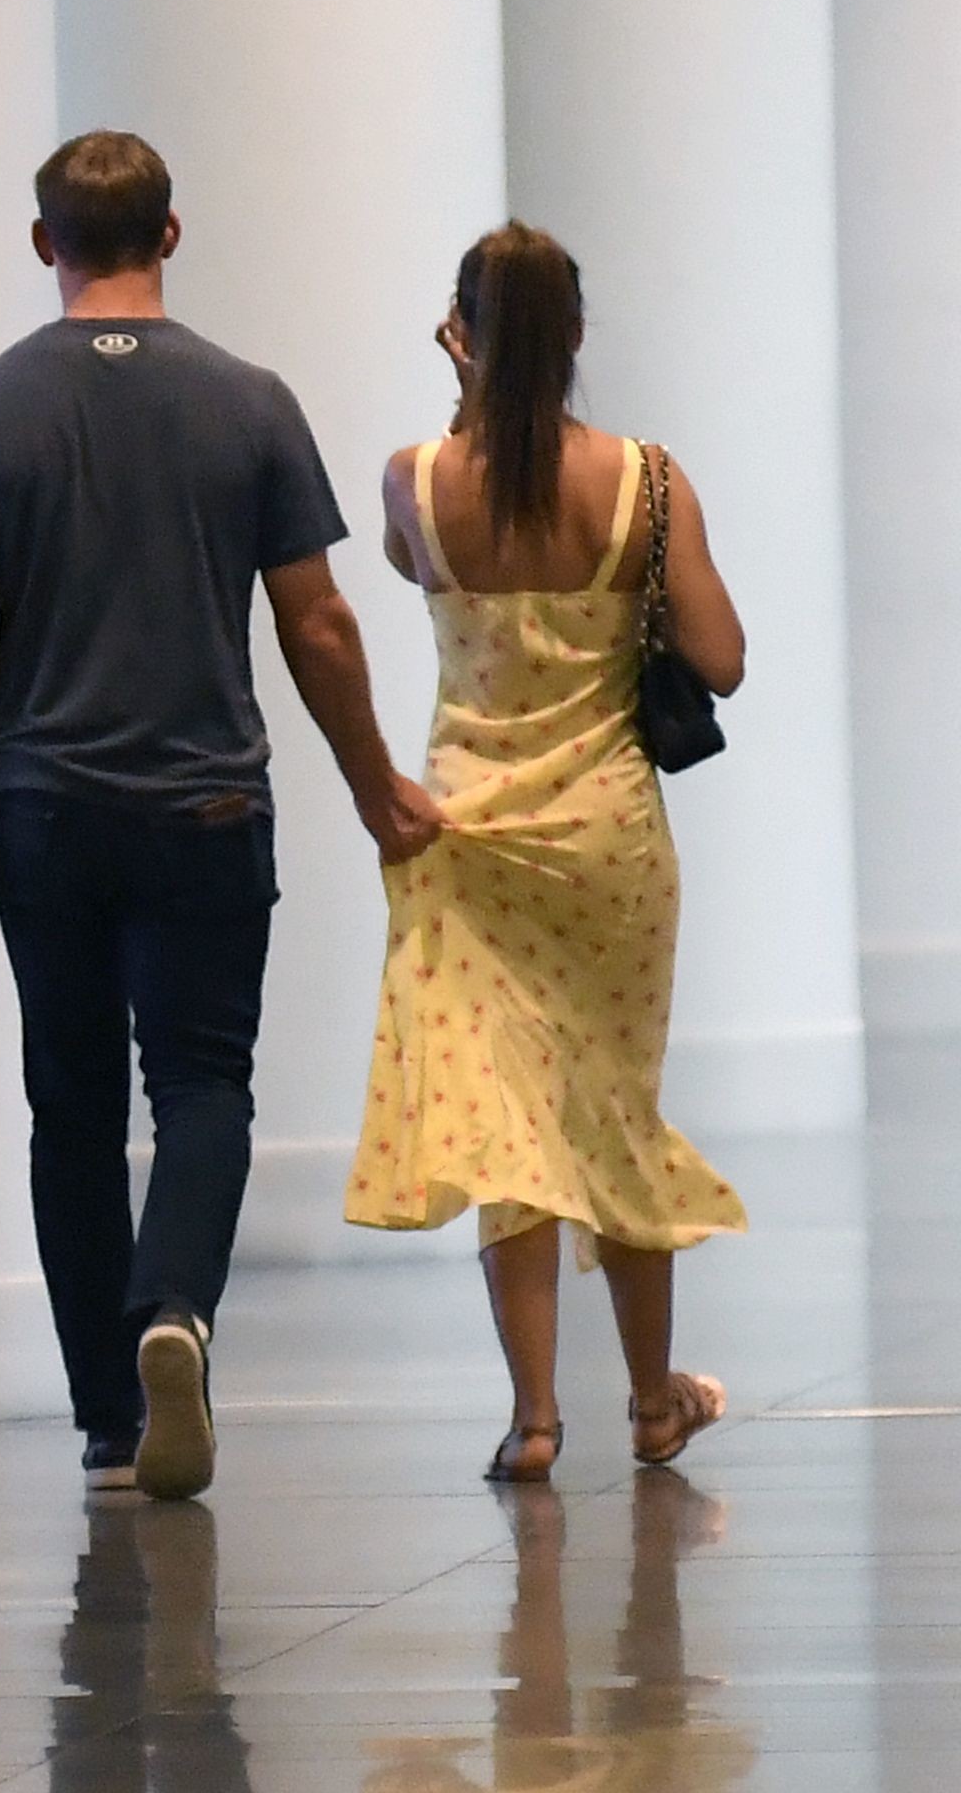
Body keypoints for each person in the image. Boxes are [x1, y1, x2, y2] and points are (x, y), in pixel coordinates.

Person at [0, 130, 439, 1502]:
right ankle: (174, 1312)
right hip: (206, 798)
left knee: (69, 1104)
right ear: (172, 234)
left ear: (44, 244)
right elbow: (318, 620)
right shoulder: (249, 401)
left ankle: (108, 1422)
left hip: (42, 802)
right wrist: (373, 781)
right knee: (201, 1084)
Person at [345, 222, 747, 1481]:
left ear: (459, 334)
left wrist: (468, 400)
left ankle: (532, 1418)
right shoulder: (642, 481)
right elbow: (722, 659)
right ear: (574, 333)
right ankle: (650, 1402)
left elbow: (412, 564)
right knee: (613, 1109)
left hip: (464, 838)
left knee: (498, 1129)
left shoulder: (414, 480)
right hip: (605, 842)